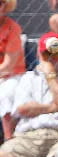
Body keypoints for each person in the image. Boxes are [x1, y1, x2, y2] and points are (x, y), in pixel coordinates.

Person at [0, 0, 26, 142]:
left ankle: (9, 140)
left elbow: (9, 66)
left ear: (6, 6)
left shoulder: (12, 28)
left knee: (5, 93)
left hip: (12, 75)